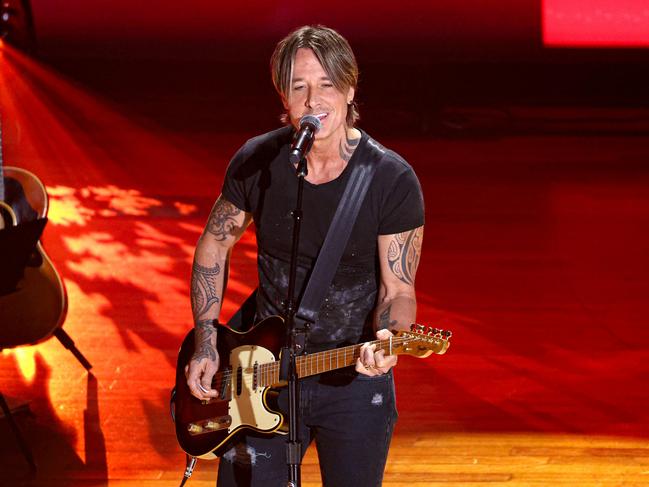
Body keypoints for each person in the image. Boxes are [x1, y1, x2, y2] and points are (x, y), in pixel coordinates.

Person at [186, 25, 424, 487]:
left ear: (350, 89)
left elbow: (399, 289)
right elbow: (214, 243)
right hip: (262, 375)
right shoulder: (258, 162)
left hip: (351, 379)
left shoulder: (391, 179)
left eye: (327, 85)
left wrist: (389, 338)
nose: (313, 101)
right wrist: (207, 341)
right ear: (284, 97)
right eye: (300, 87)